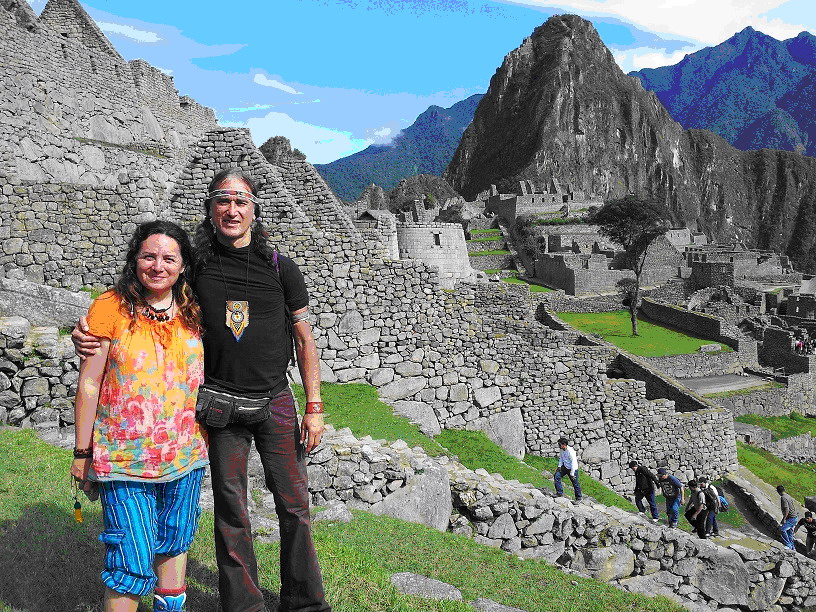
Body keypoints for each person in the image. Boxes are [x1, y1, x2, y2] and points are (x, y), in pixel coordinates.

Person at [74, 168, 331, 612]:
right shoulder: (196, 267)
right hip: (220, 406)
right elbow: (147, 291)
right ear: (210, 209)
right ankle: (244, 606)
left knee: (294, 506)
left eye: (241, 201)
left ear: (254, 210)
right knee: (231, 511)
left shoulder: (281, 268)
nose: (232, 210)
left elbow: (305, 340)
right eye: (222, 201)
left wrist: (315, 405)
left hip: (275, 401)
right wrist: (87, 333)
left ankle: (305, 604)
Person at [70, 221, 208, 612]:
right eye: (149, 256)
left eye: (169, 258)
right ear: (135, 259)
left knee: (175, 541)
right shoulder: (109, 308)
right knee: (129, 561)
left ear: (183, 265)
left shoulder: (196, 309)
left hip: (185, 455)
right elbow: (89, 384)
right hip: (124, 459)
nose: (158, 266)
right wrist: (82, 452)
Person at [553, 438, 582, 502]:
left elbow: (574, 463)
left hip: (572, 468)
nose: (558, 446)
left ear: (564, 444)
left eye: (559, 444)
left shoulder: (570, 451)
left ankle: (579, 498)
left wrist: (572, 473)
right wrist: (559, 466)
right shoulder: (561, 450)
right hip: (565, 466)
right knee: (556, 476)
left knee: (575, 483)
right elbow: (561, 458)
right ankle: (559, 493)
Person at [777, 485, 799, 551]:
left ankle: (788, 545)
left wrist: (784, 519)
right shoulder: (788, 496)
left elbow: (787, 509)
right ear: (784, 490)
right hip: (795, 517)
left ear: (778, 491)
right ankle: (793, 547)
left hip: (791, 518)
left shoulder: (783, 498)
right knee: (789, 532)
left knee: (782, 530)